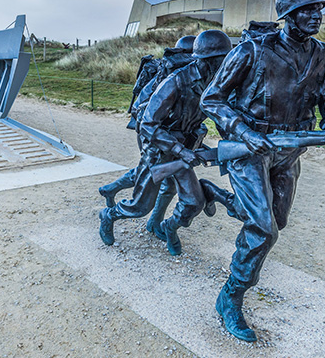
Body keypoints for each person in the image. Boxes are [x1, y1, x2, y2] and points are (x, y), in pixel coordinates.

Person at [200, 0, 325, 342]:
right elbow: (212, 99)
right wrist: (243, 131)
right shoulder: (252, 50)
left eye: (318, 9)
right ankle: (231, 296)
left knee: (275, 220)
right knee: (263, 229)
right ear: (288, 15)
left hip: (289, 151)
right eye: (307, 10)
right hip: (250, 149)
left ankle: (220, 197)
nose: (316, 16)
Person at [99, 30, 233, 255]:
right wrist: (179, 149)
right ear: (207, 59)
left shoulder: (214, 84)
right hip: (160, 151)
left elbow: (220, 115)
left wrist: (231, 142)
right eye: (222, 59)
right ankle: (108, 215)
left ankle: (168, 227)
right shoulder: (176, 82)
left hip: (185, 151)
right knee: (140, 206)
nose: (227, 64)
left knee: (193, 202)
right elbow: (148, 125)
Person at [97, 36, 196, 237]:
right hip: (155, 137)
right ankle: (113, 213)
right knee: (149, 182)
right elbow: (141, 110)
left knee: (165, 182)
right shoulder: (168, 75)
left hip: (176, 139)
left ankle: (153, 221)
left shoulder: (197, 79)